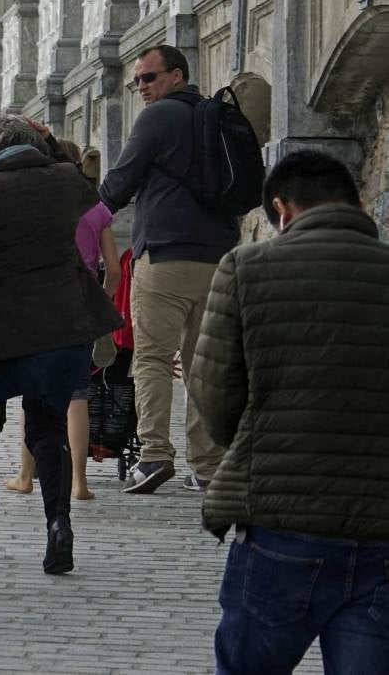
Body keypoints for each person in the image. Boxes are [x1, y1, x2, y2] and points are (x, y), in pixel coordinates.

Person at [186, 151, 389, 674]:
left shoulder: (248, 267)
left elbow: (213, 396)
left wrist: (261, 444)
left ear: (281, 210)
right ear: (357, 203)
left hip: (280, 529)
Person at [0, 117, 120, 574]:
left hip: (0, 330)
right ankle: (58, 526)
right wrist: (49, 142)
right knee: (48, 427)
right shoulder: (67, 180)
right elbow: (76, 175)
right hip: (63, 325)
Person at [99, 44, 236, 494]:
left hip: (165, 255)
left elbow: (118, 184)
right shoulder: (216, 115)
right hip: (219, 257)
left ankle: (155, 454)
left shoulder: (158, 117)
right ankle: (208, 465)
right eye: (137, 81)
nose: (141, 88)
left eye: (148, 78)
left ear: (177, 76)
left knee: (152, 357)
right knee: (204, 362)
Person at [4, 139, 120, 501]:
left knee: (32, 393)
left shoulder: (35, 203)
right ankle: (79, 483)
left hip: (39, 305)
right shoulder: (96, 207)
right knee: (78, 396)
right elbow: (113, 269)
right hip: (81, 305)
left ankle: (26, 474)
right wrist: (101, 301)